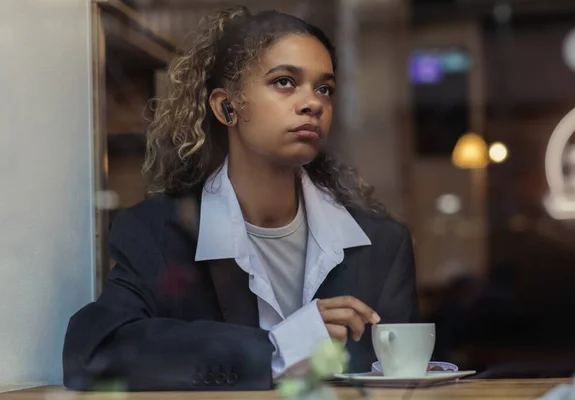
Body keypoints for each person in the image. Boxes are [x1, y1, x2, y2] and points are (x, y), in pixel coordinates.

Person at [63, 6, 419, 392]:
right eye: (284, 82)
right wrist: (276, 350)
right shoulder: (159, 233)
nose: (313, 103)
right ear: (225, 107)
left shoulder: (382, 246)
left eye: (324, 89)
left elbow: (405, 380)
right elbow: (93, 354)